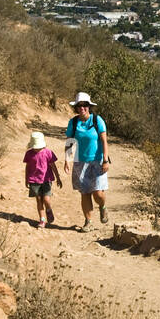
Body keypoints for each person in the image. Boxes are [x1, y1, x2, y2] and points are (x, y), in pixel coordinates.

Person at [64, 92, 111, 231]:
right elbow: (69, 142)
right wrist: (67, 159)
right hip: (80, 162)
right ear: (76, 107)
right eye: (79, 105)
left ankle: (102, 207)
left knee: (98, 193)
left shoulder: (97, 120)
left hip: (97, 161)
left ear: (89, 106)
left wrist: (105, 159)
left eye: (85, 105)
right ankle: (88, 222)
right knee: (84, 193)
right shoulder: (73, 122)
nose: (82, 108)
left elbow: (104, 141)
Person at [23, 131, 63, 228]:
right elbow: (27, 167)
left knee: (46, 199)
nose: (37, 149)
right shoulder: (29, 154)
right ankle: (42, 220)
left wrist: (58, 178)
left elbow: (53, 166)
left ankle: (48, 209)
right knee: (39, 200)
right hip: (34, 180)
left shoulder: (48, 152)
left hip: (46, 179)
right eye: (35, 147)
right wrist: (26, 179)